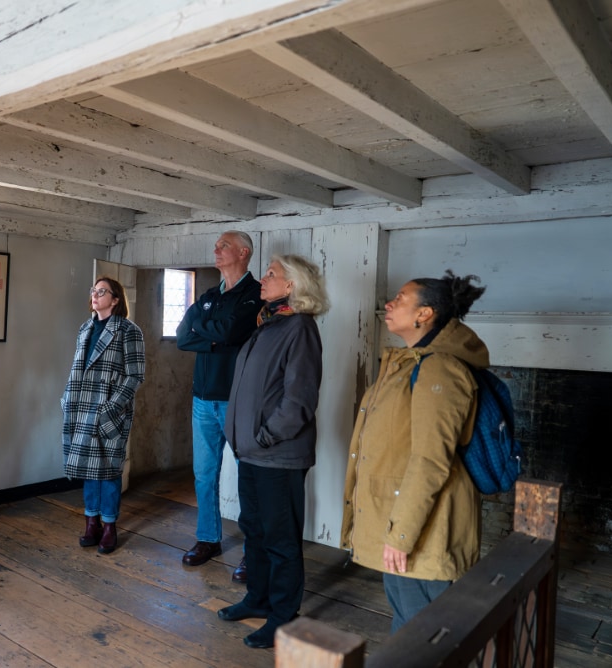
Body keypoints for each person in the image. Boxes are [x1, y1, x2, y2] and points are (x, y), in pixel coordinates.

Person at [341, 270, 488, 633]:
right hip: (404, 519)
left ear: (425, 314)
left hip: (424, 529)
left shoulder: (439, 369)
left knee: (421, 633)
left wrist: (401, 535)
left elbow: (430, 460)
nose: (389, 304)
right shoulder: (410, 362)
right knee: (410, 624)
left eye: (401, 299)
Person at [218, 254, 329, 649]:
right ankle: (258, 599)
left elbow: (299, 400)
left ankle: (283, 615)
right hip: (251, 453)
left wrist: (264, 437)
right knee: (255, 530)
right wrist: (245, 440)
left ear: (293, 286)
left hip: (276, 455)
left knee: (281, 539)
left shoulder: (299, 327)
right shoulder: (269, 324)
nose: (263, 280)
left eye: (271, 275)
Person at [177, 231, 262, 578]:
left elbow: (230, 332)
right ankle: (208, 539)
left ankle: (253, 552)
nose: (216, 249)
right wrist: (214, 338)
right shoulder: (210, 295)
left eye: (223, 245)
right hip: (202, 399)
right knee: (204, 474)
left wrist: (207, 331)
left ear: (243, 253)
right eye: (216, 245)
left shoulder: (254, 294)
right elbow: (184, 336)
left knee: (248, 477)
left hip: (237, 400)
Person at [62, 277, 145, 554]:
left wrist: (112, 407)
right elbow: (78, 368)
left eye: (102, 291)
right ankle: (91, 522)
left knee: (109, 470)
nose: (95, 295)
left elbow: (135, 375)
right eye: (93, 290)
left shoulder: (128, 330)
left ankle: (109, 526)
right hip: (81, 407)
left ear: (116, 299)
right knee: (88, 469)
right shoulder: (85, 327)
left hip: (109, 410)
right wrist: (67, 400)